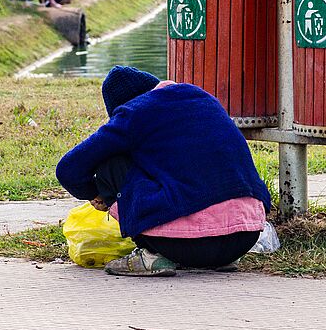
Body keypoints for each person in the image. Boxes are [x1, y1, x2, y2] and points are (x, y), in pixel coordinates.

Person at [56, 66, 270, 277]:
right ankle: (219, 258)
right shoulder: (203, 98)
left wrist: (94, 192)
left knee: (111, 164)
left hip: (184, 246)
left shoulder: (133, 112)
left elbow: (68, 169)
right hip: (245, 236)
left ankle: (152, 256)